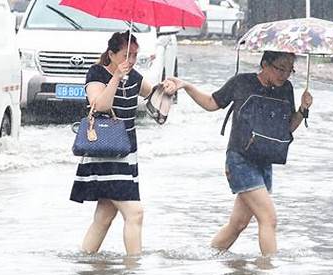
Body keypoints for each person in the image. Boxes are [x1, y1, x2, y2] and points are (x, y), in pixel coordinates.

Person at [168, 51, 313, 257]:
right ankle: (268, 273)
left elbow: (288, 127)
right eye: (280, 68)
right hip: (240, 160)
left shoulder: (286, 89)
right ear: (264, 64)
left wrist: (303, 109)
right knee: (269, 218)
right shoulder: (242, 82)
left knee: (238, 224)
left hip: (265, 161)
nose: (284, 75)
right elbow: (211, 103)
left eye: (290, 70)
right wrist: (187, 86)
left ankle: (207, 257)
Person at [69, 31, 176, 255]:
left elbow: (154, 96)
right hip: (105, 149)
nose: (131, 60)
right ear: (111, 54)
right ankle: (133, 269)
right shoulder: (97, 73)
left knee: (105, 215)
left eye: (135, 55)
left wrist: (168, 88)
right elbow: (99, 106)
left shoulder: (134, 77)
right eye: (127, 55)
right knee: (134, 212)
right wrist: (116, 77)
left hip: (127, 151)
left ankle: (85, 263)